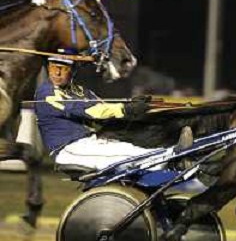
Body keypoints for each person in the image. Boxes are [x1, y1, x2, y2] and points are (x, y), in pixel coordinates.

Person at [34, 51, 187, 170]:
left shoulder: (80, 91)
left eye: (63, 68)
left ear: (73, 71)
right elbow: (93, 111)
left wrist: (133, 105)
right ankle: (175, 157)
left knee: (133, 148)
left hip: (91, 143)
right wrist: (126, 109)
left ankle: (173, 157)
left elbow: (104, 108)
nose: (57, 73)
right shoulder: (47, 93)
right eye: (53, 68)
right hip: (68, 150)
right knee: (133, 156)